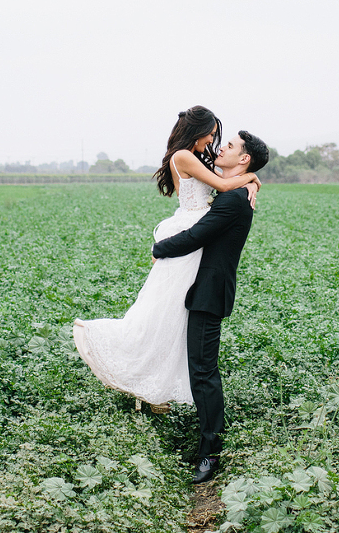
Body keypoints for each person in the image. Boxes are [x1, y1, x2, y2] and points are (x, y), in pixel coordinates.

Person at [73, 107, 260, 410]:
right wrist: (253, 178)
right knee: (162, 311)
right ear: (196, 131)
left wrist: (247, 181)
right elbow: (225, 185)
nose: (214, 139)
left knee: (174, 315)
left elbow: (225, 178)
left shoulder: (196, 156)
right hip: (190, 227)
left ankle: (155, 384)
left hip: (198, 226)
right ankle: (135, 366)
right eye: (211, 133)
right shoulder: (184, 156)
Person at [152, 128, 270, 484]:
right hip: (198, 287)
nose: (222, 148)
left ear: (244, 158)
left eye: (230, 146)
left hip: (209, 293)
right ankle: (205, 441)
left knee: (203, 371)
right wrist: (253, 180)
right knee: (199, 368)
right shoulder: (236, 190)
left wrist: (158, 249)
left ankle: (211, 452)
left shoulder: (235, 200)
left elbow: (197, 236)